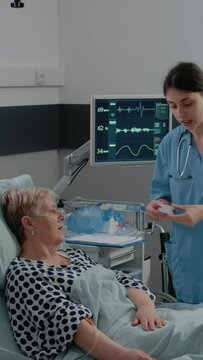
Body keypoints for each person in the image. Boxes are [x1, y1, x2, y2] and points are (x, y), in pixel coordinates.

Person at [3, 187, 203, 360]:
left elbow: (122, 278)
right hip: (115, 336)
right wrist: (120, 355)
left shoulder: (73, 255)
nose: (62, 216)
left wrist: (146, 307)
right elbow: (71, 322)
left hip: (141, 317)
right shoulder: (25, 273)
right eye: (52, 211)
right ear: (29, 224)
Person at [146, 61, 203, 304]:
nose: (181, 113)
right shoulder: (171, 143)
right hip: (188, 259)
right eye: (173, 106)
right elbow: (161, 191)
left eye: (188, 103)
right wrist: (157, 204)